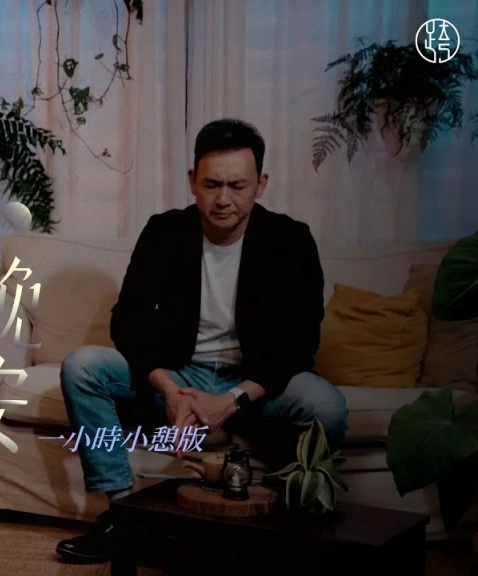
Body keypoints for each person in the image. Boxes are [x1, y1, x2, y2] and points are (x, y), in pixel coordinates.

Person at [55, 119, 348, 564]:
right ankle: (122, 516)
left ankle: (282, 525)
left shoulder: (290, 240)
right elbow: (128, 323)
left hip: (255, 384)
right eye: (212, 185)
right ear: (193, 181)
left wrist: (231, 401)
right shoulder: (165, 232)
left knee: (326, 406)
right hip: (180, 374)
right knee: (83, 367)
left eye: (237, 185)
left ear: (261, 185)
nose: (223, 199)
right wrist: (171, 391)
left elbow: (300, 341)